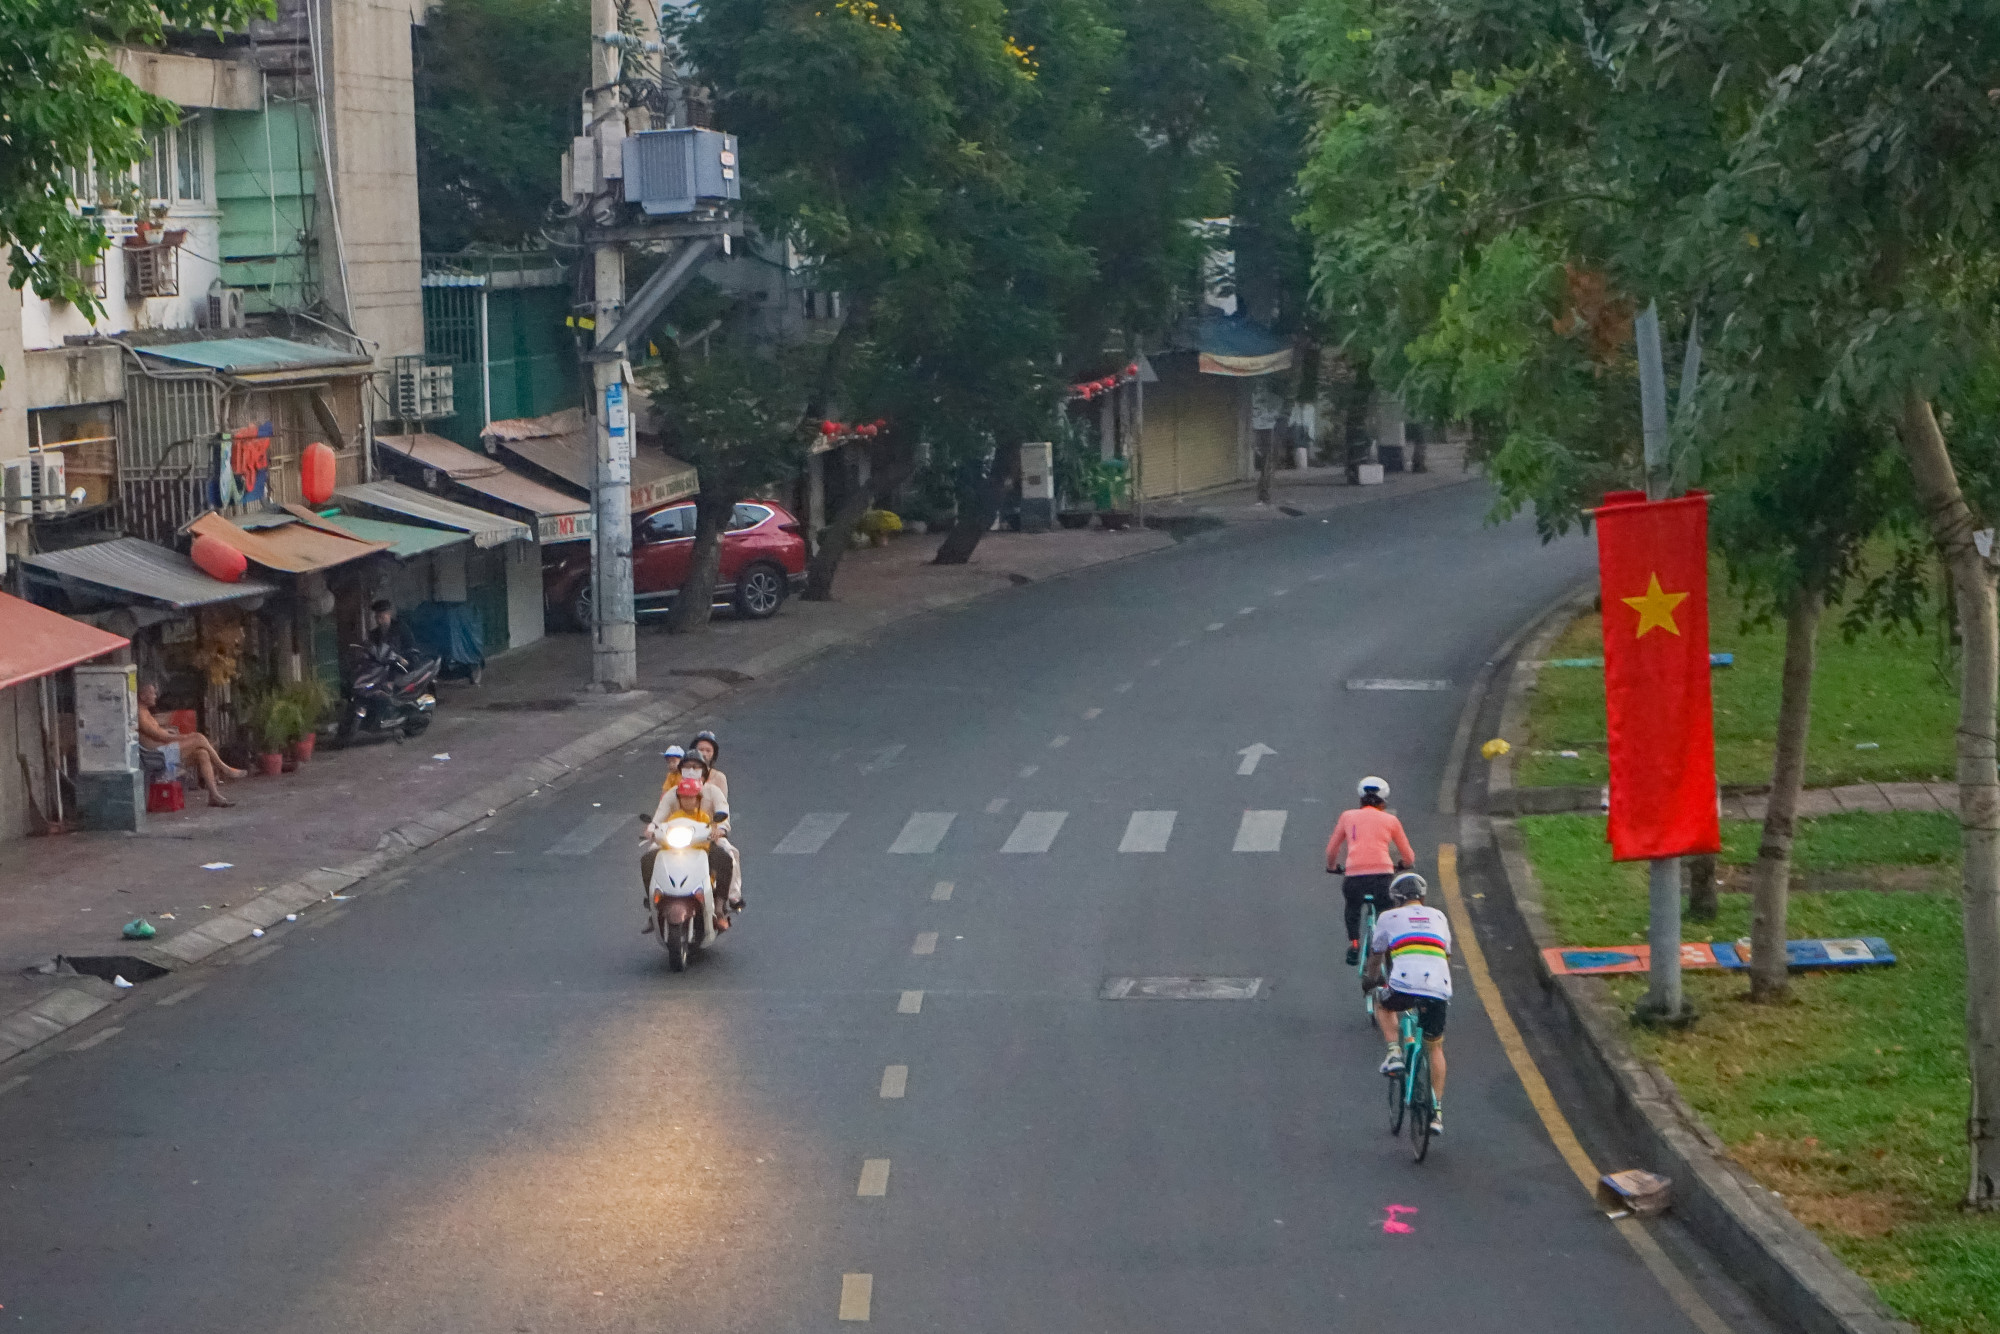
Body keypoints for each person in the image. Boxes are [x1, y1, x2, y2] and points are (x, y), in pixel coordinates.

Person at [1370, 871, 1451, 1135]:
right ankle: (1437, 1111)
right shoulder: (1439, 916)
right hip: (1438, 985)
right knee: (1435, 1047)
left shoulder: (1388, 917)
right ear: (1422, 897)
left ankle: (1394, 1052)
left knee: (1382, 1003)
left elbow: (1377, 955)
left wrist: (1371, 979)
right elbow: (1445, 953)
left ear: (1396, 899)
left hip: (1404, 983)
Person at [1325, 776, 1416, 965]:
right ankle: (1391, 953)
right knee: (1387, 913)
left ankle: (1355, 944)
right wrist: (1403, 864)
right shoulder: (1391, 820)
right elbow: (1408, 856)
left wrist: (1332, 867)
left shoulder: (1347, 817)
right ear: (1383, 801)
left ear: (1360, 799)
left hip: (1354, 877)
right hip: (1383, 877)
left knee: (1353, 907)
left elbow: (1332, 849)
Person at [641, 777, 731, 932]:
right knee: (647, 859)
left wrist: (716, 832)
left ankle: (719, 907)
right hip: (674, 852)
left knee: (725, 859)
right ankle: (652, 906)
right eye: (684, 797)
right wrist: (653, 832)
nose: (687, 801)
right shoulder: (673, 818)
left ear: (698, 799)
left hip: (701, 852)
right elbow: (661, 828)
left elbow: (712, 828)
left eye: (691, 798)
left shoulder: (704, 817)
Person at [136, 681, 245, 807]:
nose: (155, 695)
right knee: (198, 738)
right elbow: (160, 737)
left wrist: (168, 731)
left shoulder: (146, 711)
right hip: (156, 755)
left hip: (164, 751)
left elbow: (157, 732)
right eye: (152, 693)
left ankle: (214, 796)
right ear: (142, 696)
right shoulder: (139, 714)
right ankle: (224, 768)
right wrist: (186, 737)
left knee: (202, 753)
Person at [688, 730, 743, 908]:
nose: (704, 754)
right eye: (700, 750)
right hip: (682, 833)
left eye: (708, 750)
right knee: (652, 854)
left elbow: (722, 807)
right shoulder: (678, 782)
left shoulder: (717, 782)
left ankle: (732, 897)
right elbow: (665, 808)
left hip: (709, 833)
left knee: (730, 854)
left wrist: (720, 829)